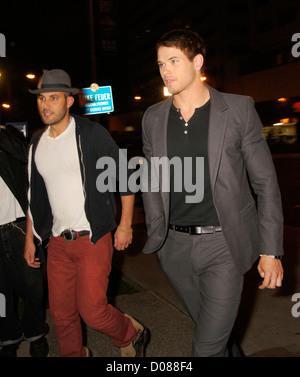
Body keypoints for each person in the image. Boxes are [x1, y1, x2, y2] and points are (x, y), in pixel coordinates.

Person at [141, 29, 284, 357]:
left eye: (174, 61)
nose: (166, 70)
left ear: (198, 62)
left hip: (224, 246)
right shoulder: (153, 118)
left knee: (205, 348)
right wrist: (157, 233)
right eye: (161, 63)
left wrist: (271, 250)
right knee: (214, 334)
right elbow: (152, 180)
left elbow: (266, 184)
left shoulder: (238, 109)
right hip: (174, 247)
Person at [25, 69, 149, 357]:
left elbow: (124, 179)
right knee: (62, 315)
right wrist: (30, 238)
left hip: (92, 238)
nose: (46, 105)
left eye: (53, 98)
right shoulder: (36, 143)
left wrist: (125, 225)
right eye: (42, 98)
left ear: (69, 101)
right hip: (56, 243)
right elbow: (34, 196)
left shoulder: (92, 135)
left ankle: (130, 333)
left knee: (93, 311)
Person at [0, 124, 49, 357]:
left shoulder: (8, 134)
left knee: (32, 285)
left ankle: (35, 332)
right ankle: (7, 334)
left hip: (19, 226)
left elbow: (26, 155)